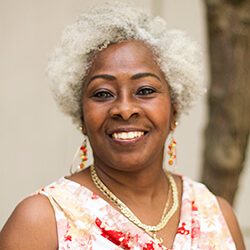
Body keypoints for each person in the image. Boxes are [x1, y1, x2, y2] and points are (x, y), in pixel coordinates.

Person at [0, 3, 245, 250]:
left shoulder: (216, 215)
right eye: (103, 93)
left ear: (174, 109)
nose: (125, 109)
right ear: (82, 117)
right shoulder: (41, 223)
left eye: (145, 90)